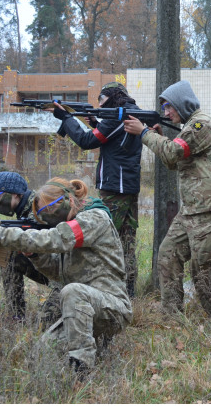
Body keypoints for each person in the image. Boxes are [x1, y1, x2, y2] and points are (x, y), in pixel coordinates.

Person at [0, 177, 131, 375]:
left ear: (69, 200)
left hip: (112, 308)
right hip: (84, 308)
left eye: (51, 209)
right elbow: (57, 272)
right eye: (44, 214)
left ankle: (81, 369)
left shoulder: (94, 218)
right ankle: (95, 342)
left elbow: (57, 238)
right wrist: (34, 255)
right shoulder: (72, 224)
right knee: (41, 353)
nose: (49, 217)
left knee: (72, 291)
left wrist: (0, 235)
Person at [123, 80, 211, 317]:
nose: (166, 112)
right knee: (168, 254)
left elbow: (172, 151)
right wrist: (159, 137)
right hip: (193, 208)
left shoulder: (200, 125)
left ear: (181, 104)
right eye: (164, 109)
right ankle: (172, 314)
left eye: (168, 107)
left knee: (203, 266)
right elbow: (173, 161)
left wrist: (143, 133)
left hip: (208, 207)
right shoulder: (188, 128)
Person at [51, 82, 142, 298]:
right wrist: (95, 122)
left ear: (110, 98)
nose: (98, 104)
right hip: (125, 185)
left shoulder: (118, 116)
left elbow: (86, 141)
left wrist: (66, 118)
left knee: (104, 237)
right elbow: (111, 140)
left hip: (115, 187)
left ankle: (110, 290)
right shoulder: (126, 115)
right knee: (126, 240)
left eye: (101, 100)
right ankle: (128, 293)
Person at [0, 171, 60, 324]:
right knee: (9, 258)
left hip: (69, 276)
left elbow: (40, 243)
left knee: (45, 324)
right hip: (53, 268)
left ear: (16, 193)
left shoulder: (39, 208)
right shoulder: (26, 209)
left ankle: (17, 316)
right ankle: (15, 317)